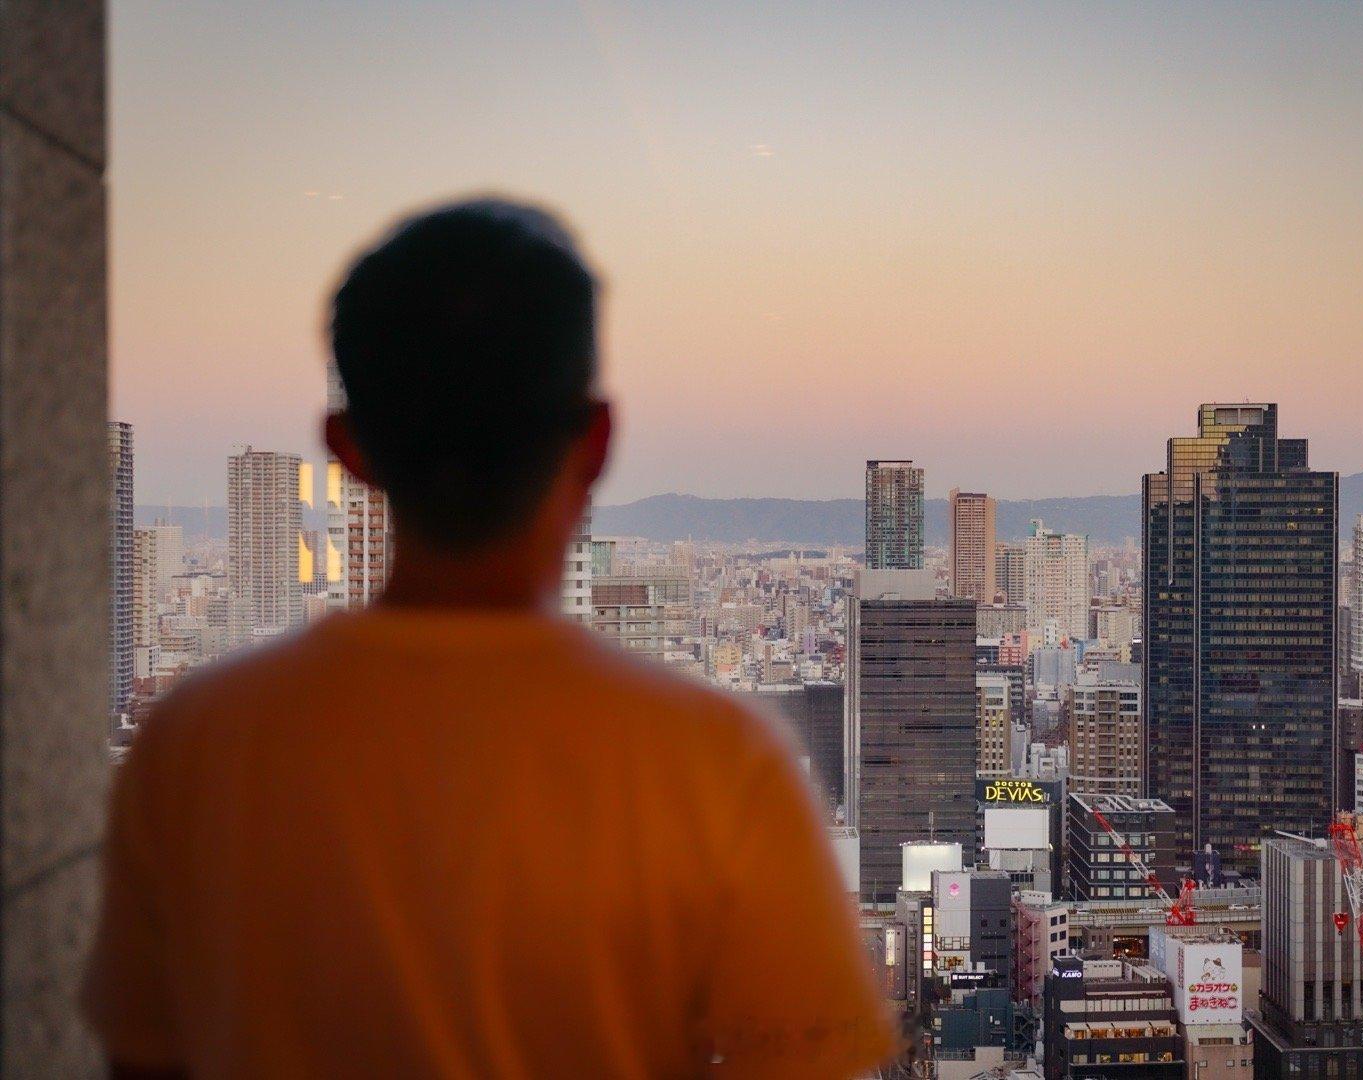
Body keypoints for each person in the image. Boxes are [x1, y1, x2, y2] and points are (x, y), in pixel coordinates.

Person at [82, 199, 895, 1079]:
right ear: (596, 441)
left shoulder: (195, 744)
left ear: (346, 452)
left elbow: (143, 1057)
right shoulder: (717, 765)